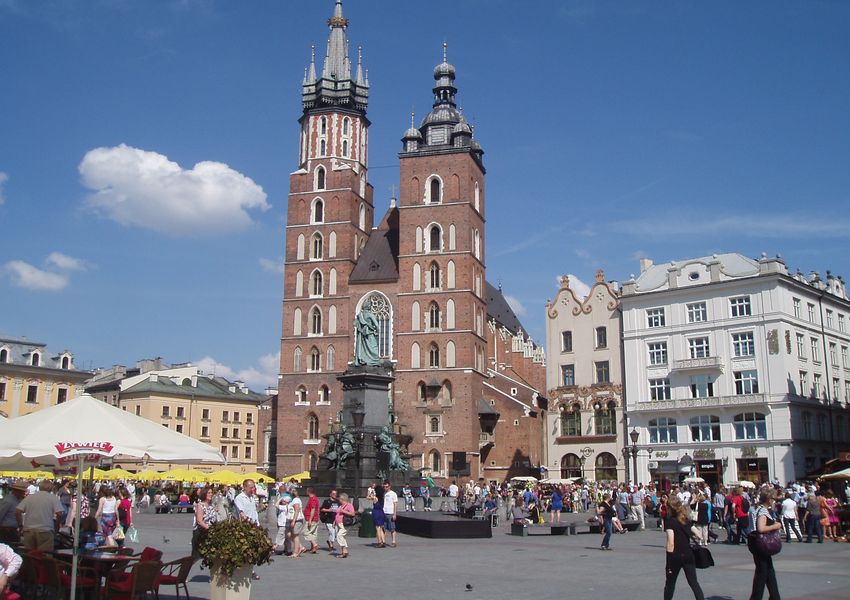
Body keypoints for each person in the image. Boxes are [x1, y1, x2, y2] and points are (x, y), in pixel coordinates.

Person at [663, 497, 705, 600]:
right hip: (688, 554)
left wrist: (668, 562)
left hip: (676, 556)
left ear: (670, 508)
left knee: (670, 583)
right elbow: (699, 535)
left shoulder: (669, 521)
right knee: (693, 582)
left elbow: (671, 543)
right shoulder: (684, 519)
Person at [748, 489, 782, 600]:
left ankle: (775, 596)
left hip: (757, 544)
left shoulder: (756, 508)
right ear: (769, 499)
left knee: (768, 570)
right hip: (761, 545)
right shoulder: (762, 511)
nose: (774, 501)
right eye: (773, 499)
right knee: (762, 572)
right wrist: (775, 526)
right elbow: (761, 528)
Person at [16, 480, 62, 552]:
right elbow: (59, 514)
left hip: (29, 530)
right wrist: (57, 525)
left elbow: (18, 511)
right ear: (51, 488)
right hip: (45, 530)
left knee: (29, 555)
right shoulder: (53, 498)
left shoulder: (30, 497)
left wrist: (20, 525)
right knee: (44, 556)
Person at [192, 487, 219, 560]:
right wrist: (208, 528)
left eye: (211, 493)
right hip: (201, 532)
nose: (211, 494)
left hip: (211, 532)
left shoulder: (211, 506)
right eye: (209, 493)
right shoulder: (200, 505)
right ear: (204, 494)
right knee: (196, 557)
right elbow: (199, 521)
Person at [333, 492, 355, 558]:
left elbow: (352, 514)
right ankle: (344, 552)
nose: (338, 500)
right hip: (338, 523)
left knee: (339, 536)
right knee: (342, 537)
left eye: (339, 499)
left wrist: (344, 511)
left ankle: (345, 550)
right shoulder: (341, 506)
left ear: (342, 499)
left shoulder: (349, 505)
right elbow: (337, 514)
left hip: (344, 524)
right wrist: (334, 522)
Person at [302, 487, 320, 555]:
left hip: (311, 519)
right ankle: (313, 548)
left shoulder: (313, 499)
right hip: (315, 519)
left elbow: (313, 509)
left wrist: (310, 520)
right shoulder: (314, 498)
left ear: (308, 491)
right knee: (313, 533)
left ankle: (314, 544)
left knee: (306, 532)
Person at [287, 488, 305, 557]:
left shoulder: (296, 500)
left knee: (295, 536)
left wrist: (294, 521)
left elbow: (296, 511)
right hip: (293, 519)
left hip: (297, 520)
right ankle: (300, 547)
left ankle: (295, 552)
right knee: (289, 534)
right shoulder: (294, 500)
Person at [368, 483, 386, 548]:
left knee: (377, 528)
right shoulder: (382, 498)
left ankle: (379, 542)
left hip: (376, 512)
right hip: (381, 512)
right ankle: (383, 541)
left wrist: (371, 491)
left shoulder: (375, 498)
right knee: (381, 527)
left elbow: (368, 497)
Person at [383, 480, 399, 548]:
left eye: (386, 487)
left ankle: (394, 541)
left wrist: (394, 514)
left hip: (390, 513)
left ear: (389, 486)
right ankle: (383, 541)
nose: (385, 488)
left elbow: (395, 504)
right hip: (384, 513)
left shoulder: (393, 494)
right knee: (384, 528)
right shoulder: (384, 494)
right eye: (384, 487)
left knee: (392, 528)